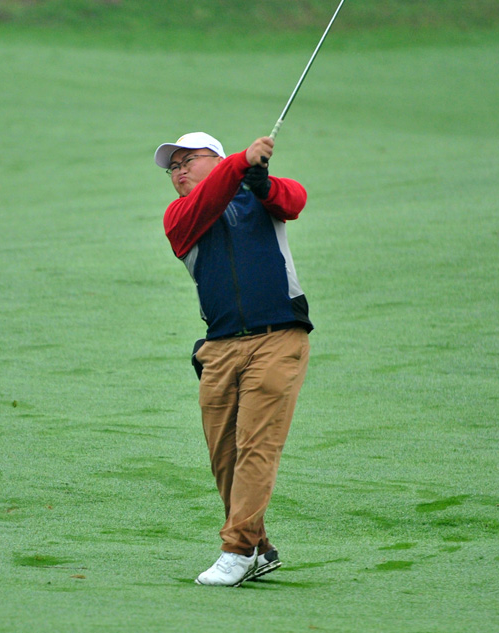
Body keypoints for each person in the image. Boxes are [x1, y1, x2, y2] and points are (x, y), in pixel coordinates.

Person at [154, 132, 312, 587]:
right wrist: (243, 161)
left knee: (256, 446)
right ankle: (259, 547)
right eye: (173, 167)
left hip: (278, 337)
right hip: (219, 348)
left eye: (189, 160)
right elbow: (213, 195)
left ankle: (237, 549)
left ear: (217, 160)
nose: (179, 171)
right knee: (225, 457)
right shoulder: (179, 215)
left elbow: (295, 199)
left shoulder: (260, 196)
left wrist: (262, 181)